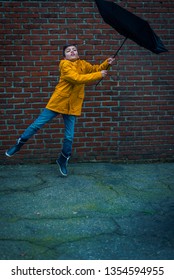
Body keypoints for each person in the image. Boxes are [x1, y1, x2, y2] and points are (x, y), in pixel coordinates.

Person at [5, 44, 115, 176]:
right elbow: (76, 79)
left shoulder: (83, 64)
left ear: (78, 54)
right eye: (68, 51)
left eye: (74, 49)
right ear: (65, 56)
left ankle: (63, 160)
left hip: (73, 105)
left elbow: (95, 69)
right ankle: (19, 144)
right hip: (58, 102)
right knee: (37, 125)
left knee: (69, 136)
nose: (72, 51)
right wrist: (98, 75)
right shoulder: (64, 65)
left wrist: (106, 63)